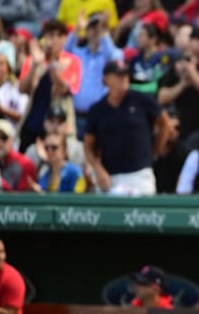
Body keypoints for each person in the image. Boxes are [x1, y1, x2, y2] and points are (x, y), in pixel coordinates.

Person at [84, 60, 170, 195]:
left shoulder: (141, 100)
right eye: (118, 75)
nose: (123, 78)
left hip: (139, 174)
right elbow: (88, 145)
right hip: (109, 176)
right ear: (106, 80)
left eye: (125, 74)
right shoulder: (97, 110)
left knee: (142, 215)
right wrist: (97, 169)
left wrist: (156, 150)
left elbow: (164, 123)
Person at [18, 19, 82, 152]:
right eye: (51, 35)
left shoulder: (72, 61)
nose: (55, 40)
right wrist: (35, 65)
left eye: (59, 36)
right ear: (44, 37)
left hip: (58, 126)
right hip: (33, 123)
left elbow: (64, 89)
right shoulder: (33, 59)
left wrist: (52, 63)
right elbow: (22, 89)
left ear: (65, 39)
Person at [64, 11, 124, 139]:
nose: (96, 31)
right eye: (92, 27)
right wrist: (77, 30)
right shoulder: (77, 54)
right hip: (75, 115)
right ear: (87, 30)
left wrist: (104, 34)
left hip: (100, 116)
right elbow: (63, 54)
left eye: (99, 27)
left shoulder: (113, 53)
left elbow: (114, 60)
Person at [128, 265, 192, 314]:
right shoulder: (133, 307)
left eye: (142, 283)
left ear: (156, 287)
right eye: (136, 283)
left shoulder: (171, 309)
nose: (137, 287)